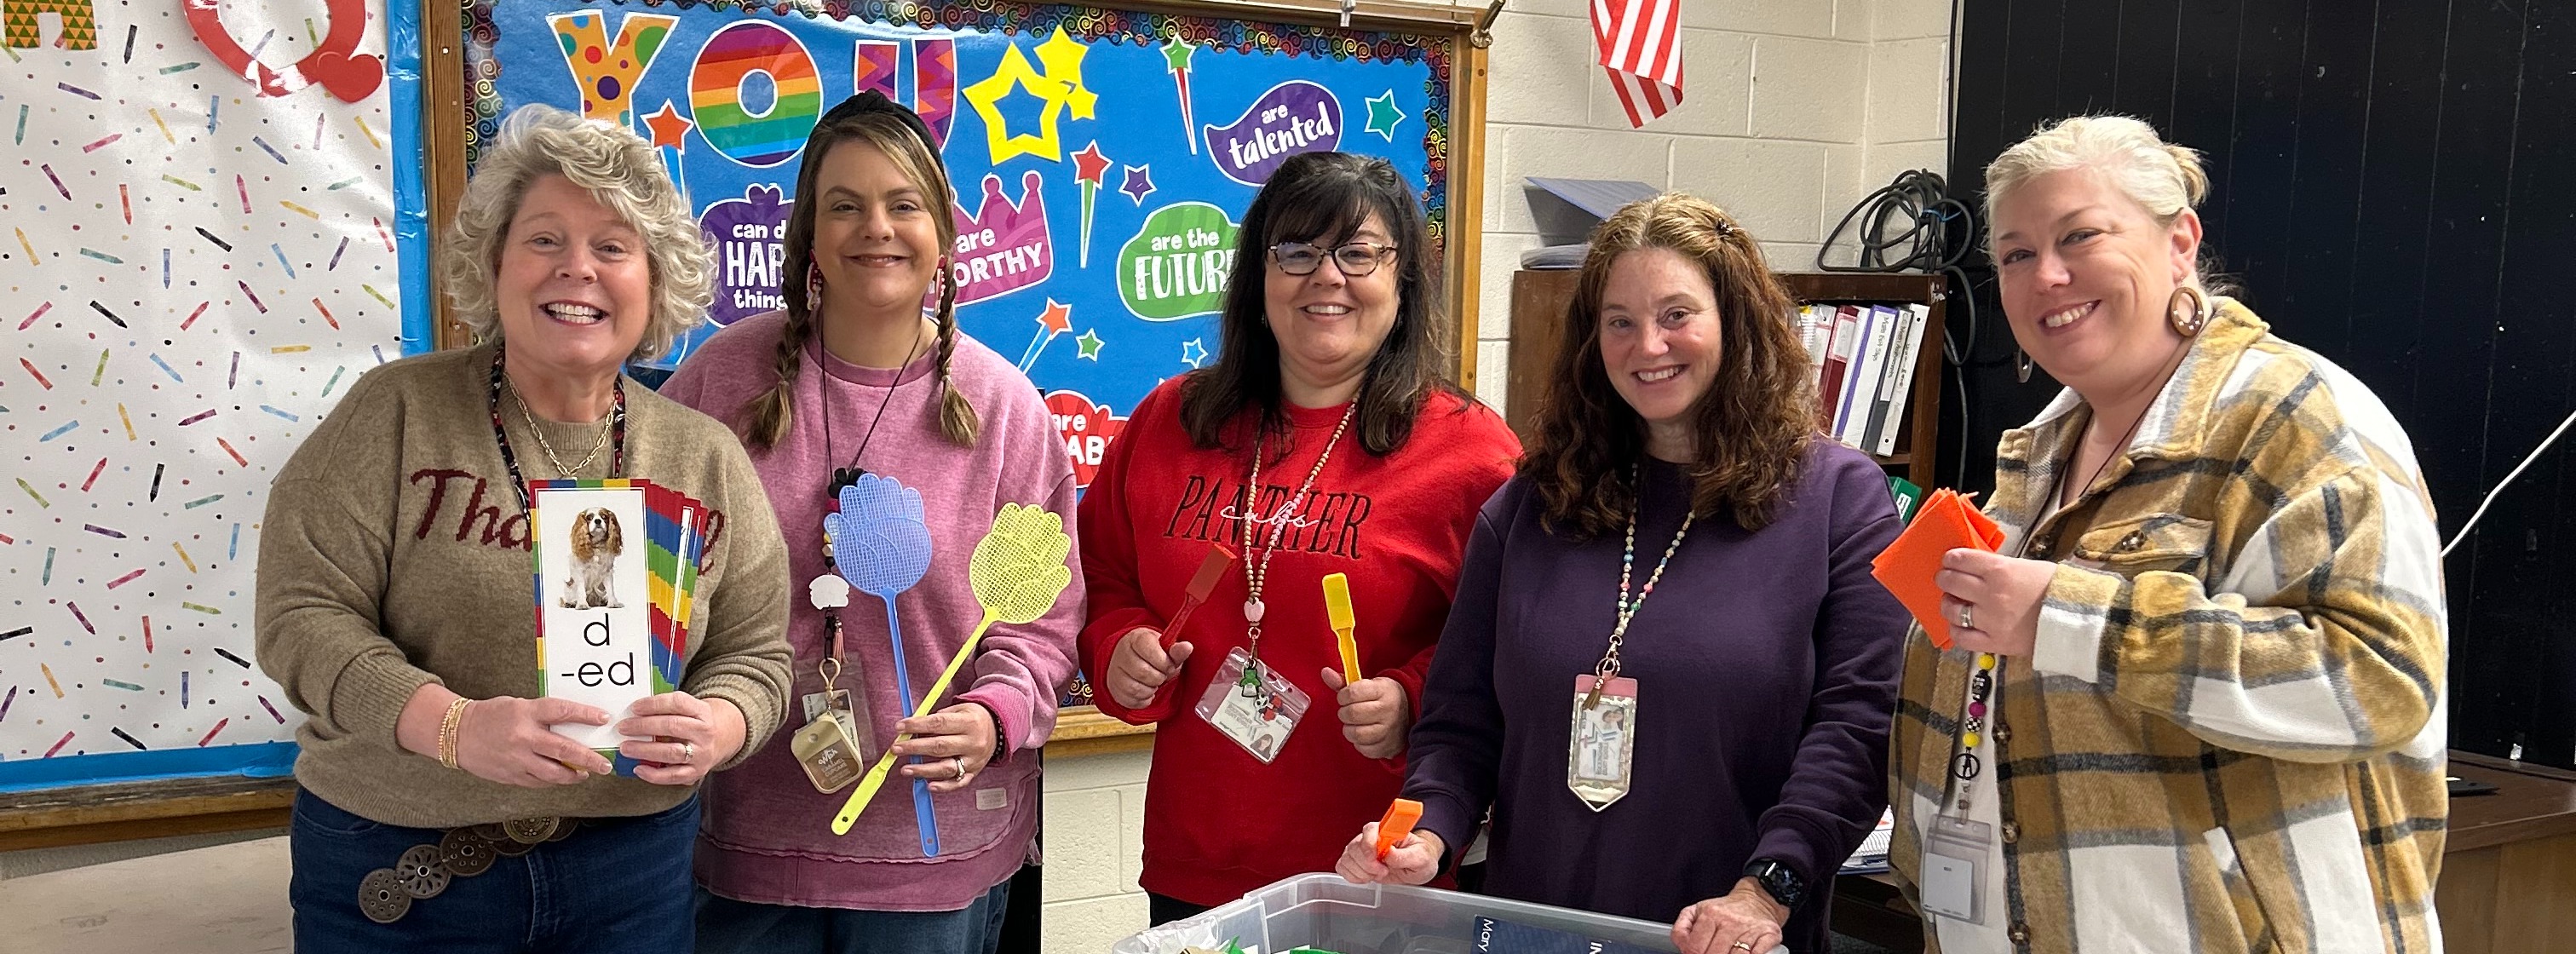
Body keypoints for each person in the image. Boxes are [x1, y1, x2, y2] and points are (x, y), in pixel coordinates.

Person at [1890, 115, 2448, 952]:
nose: (2047, 275)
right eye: (2014, 254)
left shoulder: (2298, 420)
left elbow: (2377, 679)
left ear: (2180, 242)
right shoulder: (2041, 449)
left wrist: (2073, 617)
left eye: (2082, 235)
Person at [255, 104, 793, 951]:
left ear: (653, 280)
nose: (576, 269)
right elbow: (303, 617)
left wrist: (717, 725)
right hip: (401, 862)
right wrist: (451, 726)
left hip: (633, 871)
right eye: (545, 239)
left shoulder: (704, 458)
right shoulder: (394, 415)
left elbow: (757, 655)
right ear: (495, 261)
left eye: (612, 247)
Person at [1334, 194, 1907, 954]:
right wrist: (1428, 832)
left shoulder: (1838, 498)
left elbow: (1861, 726)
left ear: (1736, 321)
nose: (1648, 345)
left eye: (1677, 314)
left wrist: (1768, 891)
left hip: (1726, 935)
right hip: (1535, 932)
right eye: (1620, 321)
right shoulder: (1531, 505)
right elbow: (1461, 722)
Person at [662, 91, 1081, 954]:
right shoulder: (719, 380)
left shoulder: (1002, 408)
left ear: (944, 235)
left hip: (930, 852)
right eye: (844, 206)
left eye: (903, 205)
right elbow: (641, 569)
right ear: (808, 235)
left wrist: (997, 714)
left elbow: (1042, 621)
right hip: (749, 845)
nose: (875, 229)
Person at [1078, 151, 1522, 922]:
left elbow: (1509, 644)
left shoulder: (1473, 452)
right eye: (1297, 251)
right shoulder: (1169, 420)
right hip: (1197, 860)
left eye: (1359, 253)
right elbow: (1099, 579)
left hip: (1378, 868)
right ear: (1259, 279)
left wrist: (1413, 696)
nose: (1327, 276)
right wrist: (1117, 647)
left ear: (1404, 280)